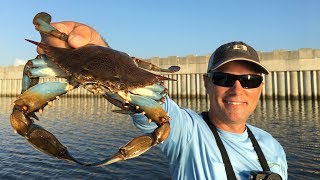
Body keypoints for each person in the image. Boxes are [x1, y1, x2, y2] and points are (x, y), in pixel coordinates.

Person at [38, 21, 288, 180]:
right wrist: (98, 49)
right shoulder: (187, 132)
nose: (237, 88)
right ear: (207, 82)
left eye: (249, 80)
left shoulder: (272, 147)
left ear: (261, 87)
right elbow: (143, 99)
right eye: (223, 78)